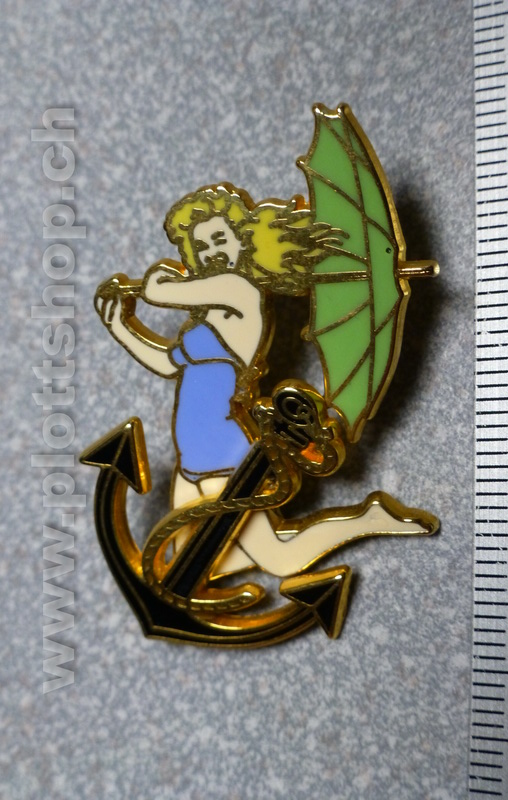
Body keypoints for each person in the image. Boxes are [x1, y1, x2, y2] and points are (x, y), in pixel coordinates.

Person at [96, 184, 435, 581]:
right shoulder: (207, 316)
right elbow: (169, 363)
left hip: (224, 456)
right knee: (189, 561)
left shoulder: (239, 291)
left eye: (220, 239)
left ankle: (369, 519)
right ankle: (240, 561)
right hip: (190, 458)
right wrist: (119, 326)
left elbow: (159, 291)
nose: (211, 252)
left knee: (279, 561)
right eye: (200, 247)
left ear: (243, 241)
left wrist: (158, 279)